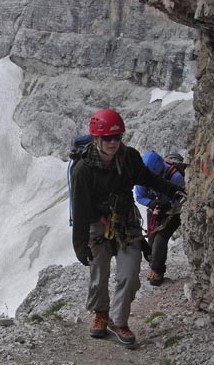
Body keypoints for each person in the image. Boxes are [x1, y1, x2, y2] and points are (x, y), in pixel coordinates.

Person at [69, 109, 184, 345]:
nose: (113, 143)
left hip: (125, 222)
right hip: (96, 223)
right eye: (108, 138)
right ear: (96, 139)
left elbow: (148, 178)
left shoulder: (129, 157)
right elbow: (80, 210)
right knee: (99, 272)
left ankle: (119, 321)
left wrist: (173, 190)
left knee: (130, 274)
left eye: (117, 137)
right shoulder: (83, 170)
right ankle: (101, 314)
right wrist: (80, 244)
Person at [135, 151, 186, 286]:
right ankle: (154, 266)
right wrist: (152, 204)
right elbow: (139, 197)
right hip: (155, 209)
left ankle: (157, 271)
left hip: (173, 212)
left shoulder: (175, 177)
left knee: (160, 238)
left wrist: (165, 205)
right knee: (151, 239)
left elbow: (181, 199)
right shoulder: (142, 176)